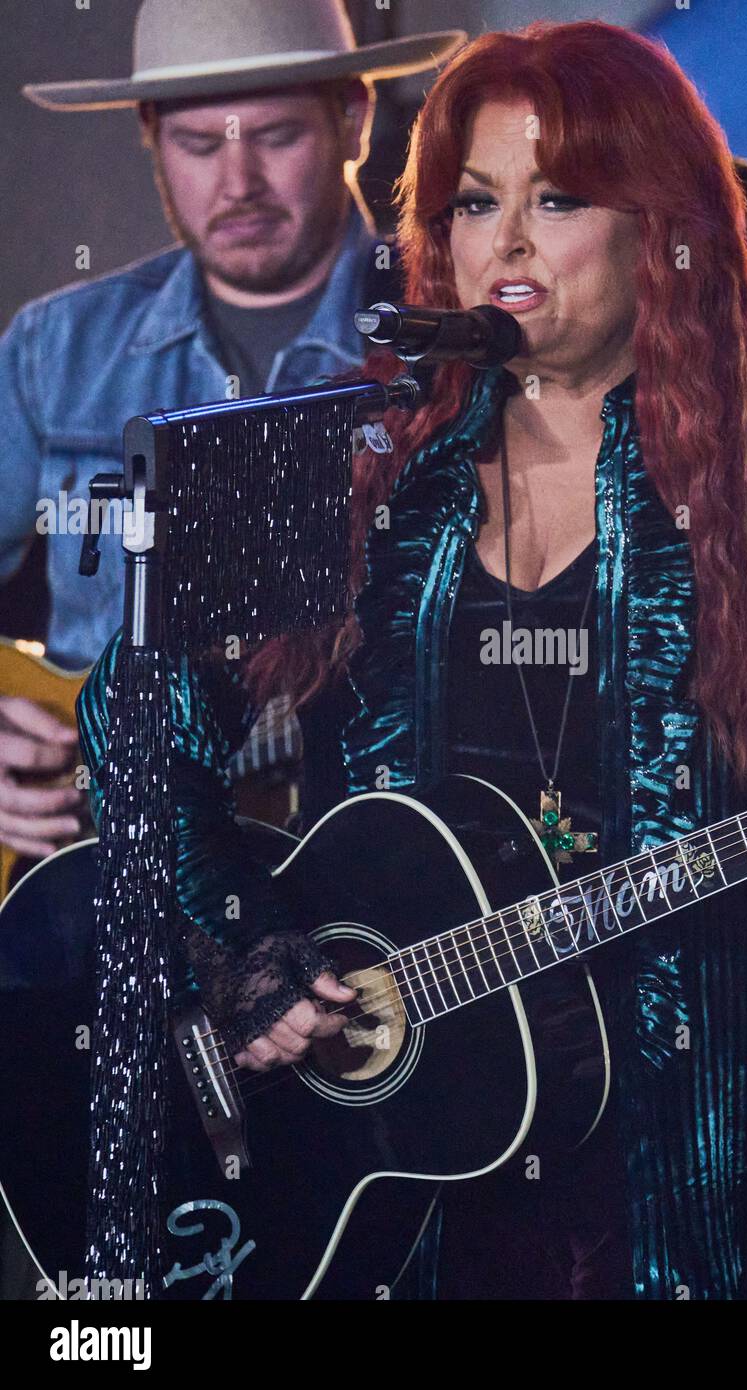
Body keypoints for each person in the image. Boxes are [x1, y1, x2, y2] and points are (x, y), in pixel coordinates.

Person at [79, 20, 747, 1300]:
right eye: (475, 202)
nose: (508, 244)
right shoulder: (364, 455)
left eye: (559, 198)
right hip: (405, 1175)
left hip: (703, 1165)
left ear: (661, 224)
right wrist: (255, 942)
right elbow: (132, 719)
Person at [0, 0, 463, 864]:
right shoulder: (55, 346)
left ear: (354, 117)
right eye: (200, 144)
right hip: (80, 890)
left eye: (275, 137)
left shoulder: (448, 345)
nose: (237, 182)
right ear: (149, 135)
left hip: (336, 877)